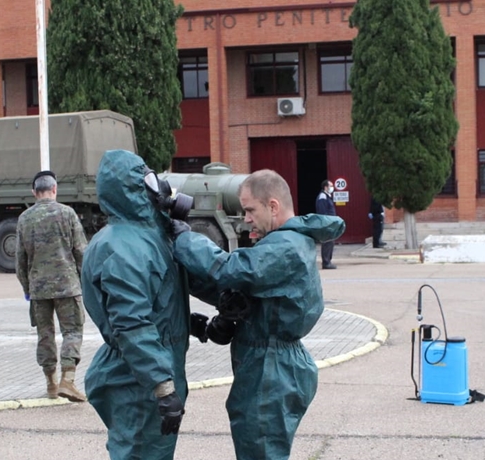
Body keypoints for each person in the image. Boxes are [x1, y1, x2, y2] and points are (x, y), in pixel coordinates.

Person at [170, 169, 345, 460]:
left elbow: (229, 269)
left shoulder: (284, 247)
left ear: (273, 206)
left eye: (250, 209)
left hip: (271, 370)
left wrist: (184, 237)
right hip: (269, 365)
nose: (246, 218)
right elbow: (230, 285)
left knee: (261, 453)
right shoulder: (286, 242)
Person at [81, 149, 192, 459]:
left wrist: (191, 322)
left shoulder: (146, 237)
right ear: (133, 189)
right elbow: (131, 323)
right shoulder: (122, 247)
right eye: (147, 179)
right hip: (136, 379)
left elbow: (157, 302)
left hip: (148, 370)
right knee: (138, 452)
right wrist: (162, 387)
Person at [15, 170, 88, 403]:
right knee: (73, 331)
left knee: (44, 335)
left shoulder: (24, 219)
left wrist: (28, 288)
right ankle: (69, 379)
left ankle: (50, 383)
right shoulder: (67, 214)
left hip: (39, 289)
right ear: (55, 189)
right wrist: (85, 281)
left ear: (34, 192)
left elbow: (20, 260)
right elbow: (81, 252)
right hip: (68, 286)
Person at [315, 179, 338, 269]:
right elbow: (322, 212)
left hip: (331, 223)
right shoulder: (322, 197)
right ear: (325, 187)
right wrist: (326, 223)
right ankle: (326, 262)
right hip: (327, 224)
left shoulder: (328, 196)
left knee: (331, 242)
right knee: (327, 242)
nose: (332, 188)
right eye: (331, 186)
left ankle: (328, 261)